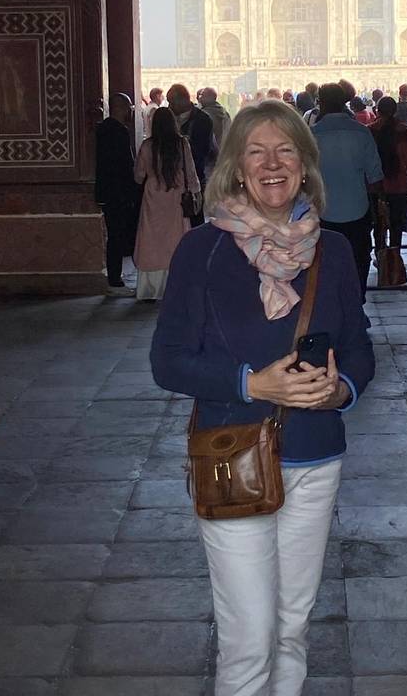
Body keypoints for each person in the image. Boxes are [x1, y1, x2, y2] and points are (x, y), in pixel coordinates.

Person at [151, 100, 375, 696]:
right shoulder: (202, 251)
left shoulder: (334, 251)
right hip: (234, 458)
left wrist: (339, 391)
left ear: (304, 166)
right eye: (257, 151)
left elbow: (359, 349)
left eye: (286, 150)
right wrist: (252, 383)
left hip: (316, 456)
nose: (272, 163)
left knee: (293, 629)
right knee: (248, 640)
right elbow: (167, 362)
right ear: (236, 168)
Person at [313, 84, 383, 300]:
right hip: (358, 209)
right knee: (358, 258)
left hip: (322, 211)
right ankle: (356, 301)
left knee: (325, 262)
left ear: (320, 103)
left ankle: (332, 305)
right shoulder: (361, 133)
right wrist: (379, 208)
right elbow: (375, 178)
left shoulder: (311, 136)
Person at [134, 107, 200, 301]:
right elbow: (191, 172)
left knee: (151, 238)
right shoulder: (182, 144)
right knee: (176, 236)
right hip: (176, 194)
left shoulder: (147, 146)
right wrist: (196, 193)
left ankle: (150, 288)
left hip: (153, 195)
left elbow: (139, 176)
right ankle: (177, 284)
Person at [95, 93, 139, 296]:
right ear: (120, 107)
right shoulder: (119, 131)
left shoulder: (102, 129)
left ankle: (115, 277)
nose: (131, 111)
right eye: (129, 106)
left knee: (115, 234)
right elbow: (123, 165)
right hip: (118, 193)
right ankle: (114, 280)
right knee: (117, 236)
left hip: (108, 191)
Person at [369, 95, 407, 253]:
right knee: (396, 229)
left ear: (378, 111)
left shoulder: (369, 132)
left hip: (375, 188)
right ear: (395, 111)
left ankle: (381, 258)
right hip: (400, 188)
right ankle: (394, 262)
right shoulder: (405, 134)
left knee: (378, 228)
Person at [167, 84, 216, 227]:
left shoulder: (203, 119)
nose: (170, 107)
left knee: (194, 218)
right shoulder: (170, 118)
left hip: (194, 177)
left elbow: (203, 150)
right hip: (173, 178)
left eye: (172, 103)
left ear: (182, 101)